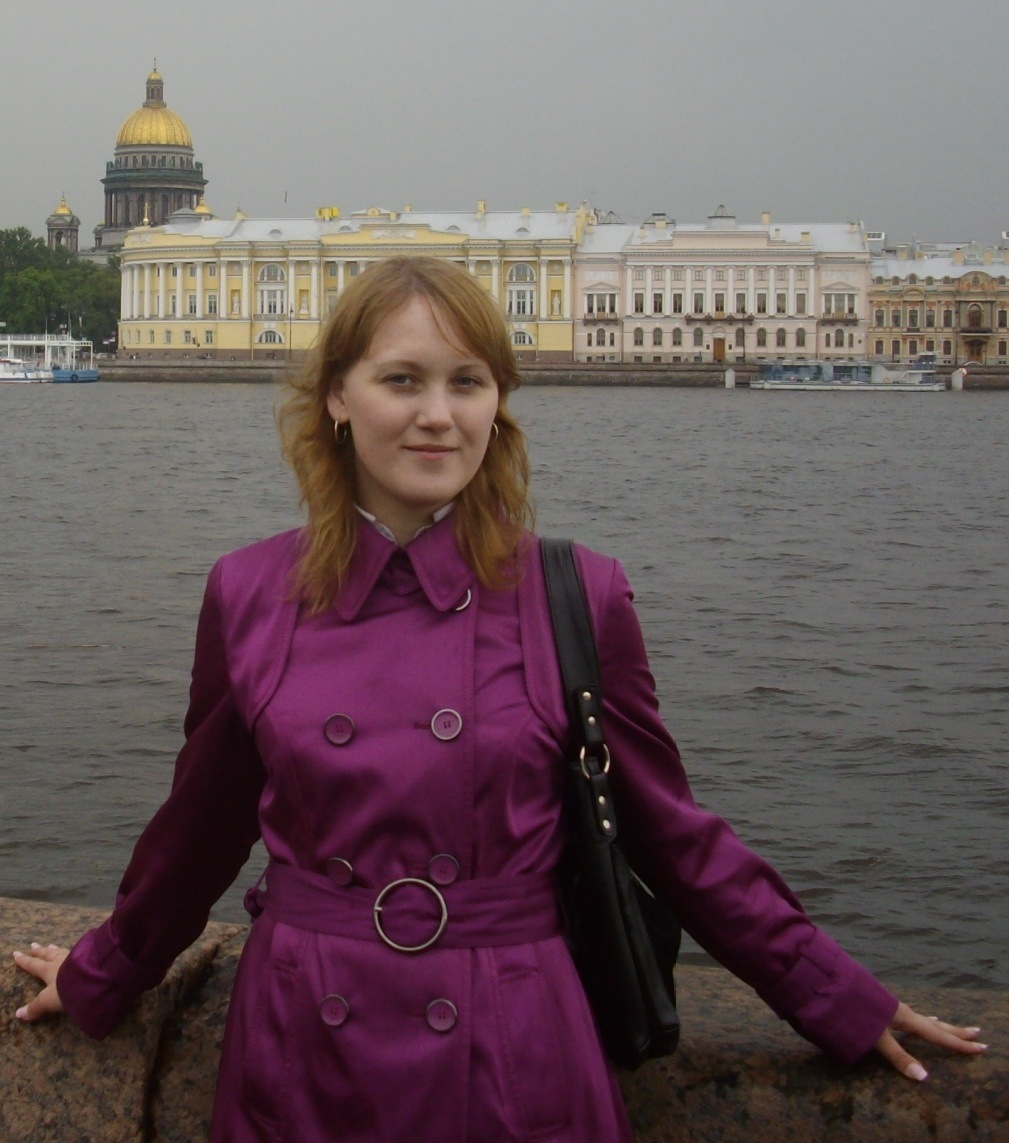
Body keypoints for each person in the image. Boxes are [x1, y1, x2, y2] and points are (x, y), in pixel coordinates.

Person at [14, 256, 985, 1141]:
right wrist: (103, 972)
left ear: (498, 404)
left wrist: (833, 992)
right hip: (301, 1046)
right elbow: (199, 832)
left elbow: (669, 834)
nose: (438, 414)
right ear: (338, 397)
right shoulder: (250, 592)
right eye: (403, 380)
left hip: (513, 1052)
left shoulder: (577, 594)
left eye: (467, 382)